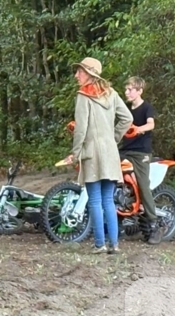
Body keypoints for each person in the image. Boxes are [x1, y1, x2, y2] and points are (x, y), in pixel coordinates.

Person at [64, 57, 133, 254]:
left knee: (94, 200)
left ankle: (99, 244)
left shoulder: (83, 96)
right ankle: (115, 244)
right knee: (108, 200)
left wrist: (75, 153)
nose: (77, 75)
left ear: (90, 73)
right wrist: (113, 138)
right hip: (110, 152)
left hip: (92, 153)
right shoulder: (111, 93)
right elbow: (127, 118)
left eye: (81, 71)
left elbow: (81, 129)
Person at [120, 76, 161, 244]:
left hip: (140, 153)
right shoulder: (125, 109)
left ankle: (153, 225)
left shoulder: (146, 108)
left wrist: (139, 129)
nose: (127, 92)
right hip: (125, 150)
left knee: (144, 186)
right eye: (126, 89)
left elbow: (151, 124)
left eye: (130, 89)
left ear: (139, 91)